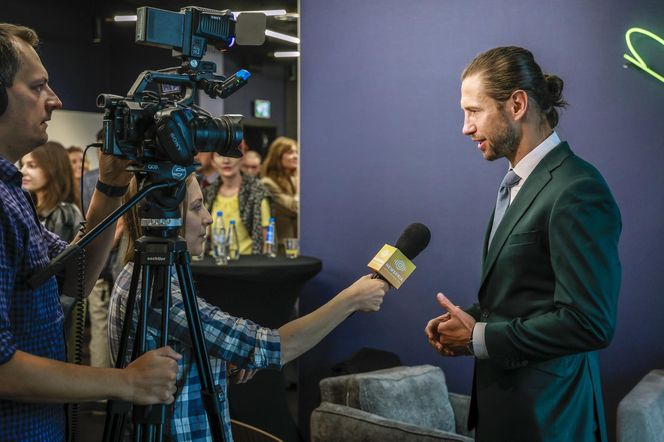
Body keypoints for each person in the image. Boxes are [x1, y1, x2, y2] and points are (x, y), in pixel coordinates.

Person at [424, 46, 621, 442]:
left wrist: (479, 338)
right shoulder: (518, 181)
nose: (465, 127)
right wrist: (468, 320)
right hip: (508, 410)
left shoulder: (577, 189)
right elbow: (524, 296)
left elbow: (589, 322)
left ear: (516, 104)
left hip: (552, 419)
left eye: (474, 111)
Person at [109, 174, 390, 441]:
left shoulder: (141, 275)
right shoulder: (159, 293)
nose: (207, 218)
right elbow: (268, 347)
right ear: (164, 220)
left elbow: (174, 360)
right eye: (196, 208)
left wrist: (219, 362)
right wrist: (351, 299)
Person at [0, 23, 180, 441]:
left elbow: (76, 276)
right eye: (38, 86)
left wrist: (112, 184)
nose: (55, 100)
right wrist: (126, 383)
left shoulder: (11, 192)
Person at [203, 153, 271, 255]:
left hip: (247, 264)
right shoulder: (208, 194)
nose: (226, 160)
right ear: (213, 162)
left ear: (242, 158)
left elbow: (267, 241)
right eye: (219, 155)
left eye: (231, 154)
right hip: (216, 263)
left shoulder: (257, 192)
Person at [20, 141, 83, 242]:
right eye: (22, 165)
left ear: (52, 169)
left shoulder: (64, 214)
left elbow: (58, 256)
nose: (22, 171)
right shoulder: (30, 207)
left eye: (32, 166)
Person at [260, 137, 299, 243]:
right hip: (282, 245)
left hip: (298, 242)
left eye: (297, 152)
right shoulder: (267, 183)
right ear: (277, 156)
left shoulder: (294, 180)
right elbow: (295, 207)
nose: (296, 156)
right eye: (290, 153)